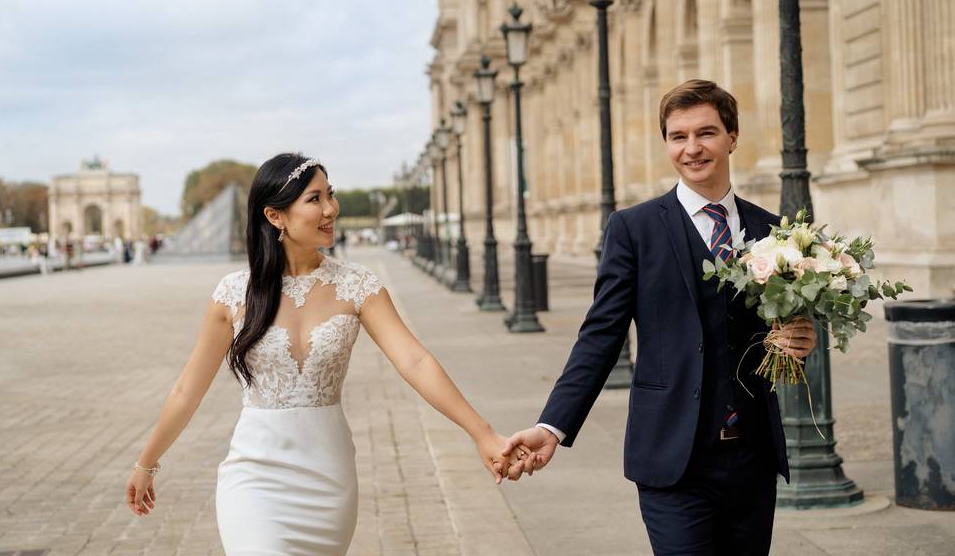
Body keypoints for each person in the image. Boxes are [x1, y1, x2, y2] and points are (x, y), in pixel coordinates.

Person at [126, 153, 525, 555]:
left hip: (328, 477)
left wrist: (483, 433)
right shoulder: (233, 294)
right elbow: (187, 390)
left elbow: (415, 362)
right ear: (275, 216)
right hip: (254, 476)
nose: (331, 208)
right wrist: (147, 462)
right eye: (314, 199)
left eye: (329, 195)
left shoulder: (358, 286)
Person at [503, 80, 817, 555]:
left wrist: (802, 338)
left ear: (732, 136)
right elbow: (601, 335)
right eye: (678, 136)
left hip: (752, 455)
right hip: (672, 456)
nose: (692, 149)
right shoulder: (634, 229)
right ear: (667, 144)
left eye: (706, 133)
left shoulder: (772, 230)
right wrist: (552, 426)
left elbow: (784, 329)